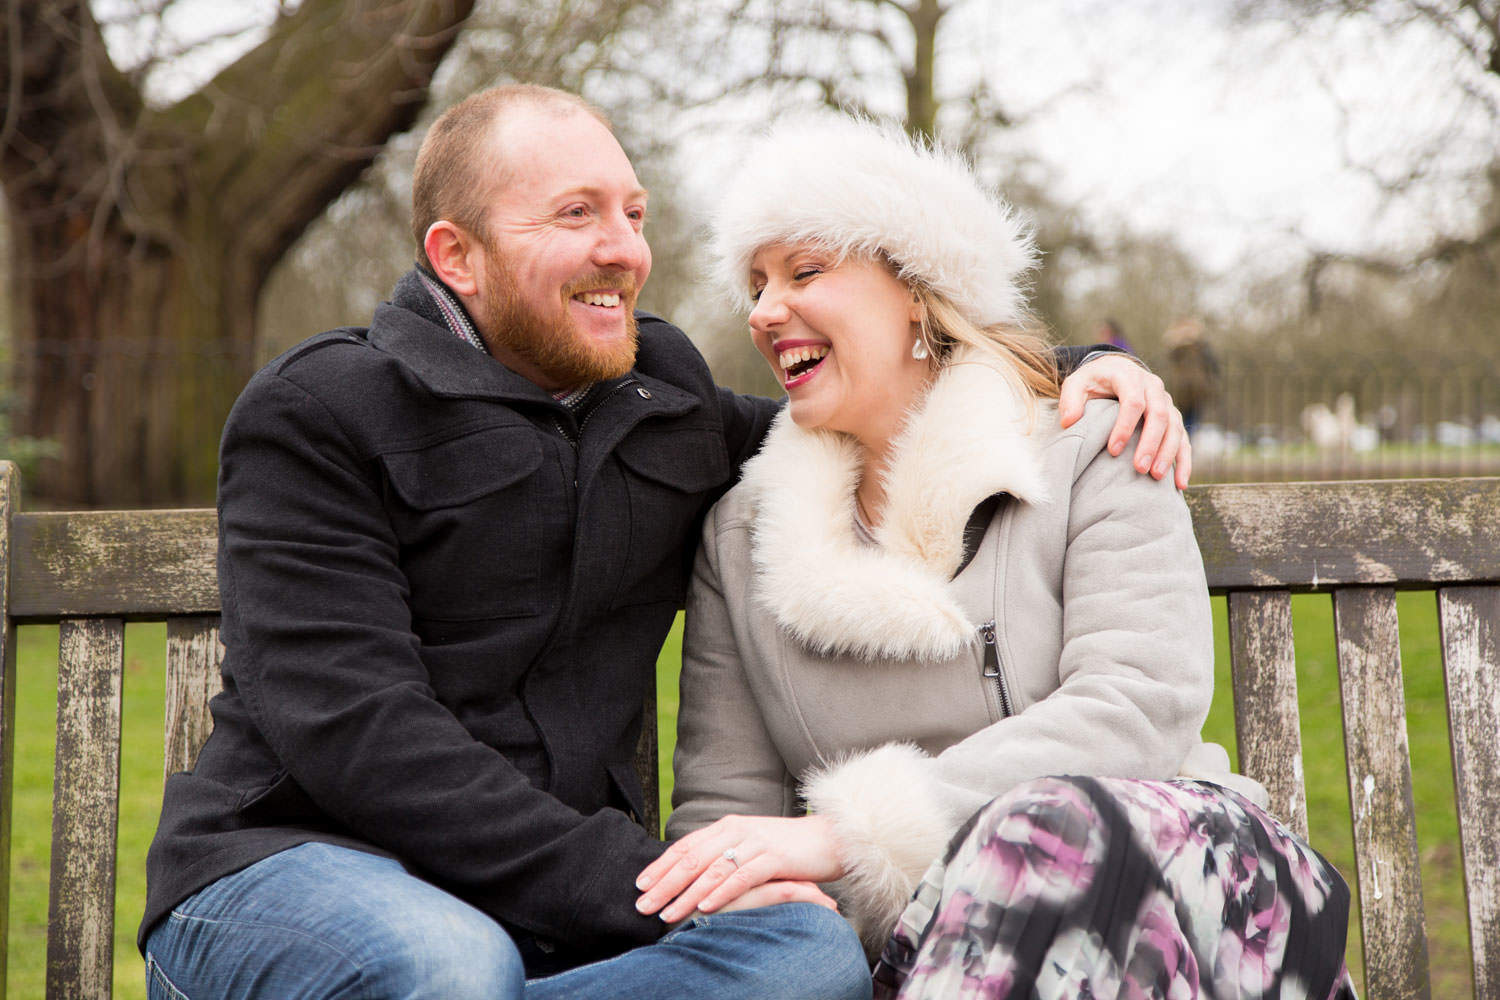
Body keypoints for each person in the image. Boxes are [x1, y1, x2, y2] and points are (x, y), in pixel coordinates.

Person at [139, 86, 1192, 999]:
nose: (625, 248)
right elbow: (362, 733)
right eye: (577, 213)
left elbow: (862, 399)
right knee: (453, 966)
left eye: (634, 213)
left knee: (802, 960)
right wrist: (627, 879)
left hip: (550, 923)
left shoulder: (661, 402)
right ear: (455, 255)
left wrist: (1067, 366)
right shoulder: (322, 410)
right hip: (295, 869)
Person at [642, 115, 1353, 998]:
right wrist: (777, 898)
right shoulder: (743, 533)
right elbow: (726, 818)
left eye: (806, 270)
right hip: (937, 949)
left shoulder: (1094, 443)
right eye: (755, 284)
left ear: (917, 289)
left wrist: (849, 834)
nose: (763, 310)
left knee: (1043, 825)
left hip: (1183, 888)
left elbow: (1137, 706)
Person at [1164, 317, 1219, 435]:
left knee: (1182, 420)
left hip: (1181, 390)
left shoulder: (1176, 348)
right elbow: (1212, 366)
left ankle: (1181, 441)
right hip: (1196, 389)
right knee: (1191, 422)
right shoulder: (1200, 347)